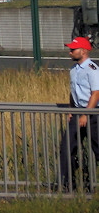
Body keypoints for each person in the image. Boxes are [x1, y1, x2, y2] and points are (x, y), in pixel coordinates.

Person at [58, 36, 99, 191]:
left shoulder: (92, 69)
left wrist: (86, 114)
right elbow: (73, 91)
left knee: (98, 148)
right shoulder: (74, 70)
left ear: (83, 51)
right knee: (67, 148)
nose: (70, 52)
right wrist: (71, 109)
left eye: (72, 50)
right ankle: (65, 184)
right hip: (77, 112)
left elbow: (96, 93)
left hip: (92, 112)